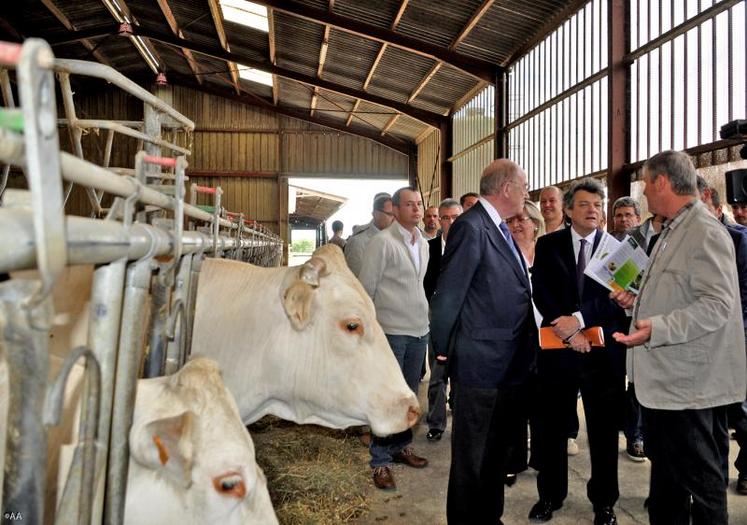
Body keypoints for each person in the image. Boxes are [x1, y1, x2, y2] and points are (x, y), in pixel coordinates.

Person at [612, 150, 746, 525]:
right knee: (668, 485)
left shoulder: (704, 231)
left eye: (645, 186)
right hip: (669, 386)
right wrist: (635, 304)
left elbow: (718, 305)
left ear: (662, 183)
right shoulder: (673, 229)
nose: (643, 196)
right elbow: (678, 294)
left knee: (702, 485)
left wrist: (657, 327)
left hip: (691, 388)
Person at [430, 159, 534, 525]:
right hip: (479, 363)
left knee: (495, 453)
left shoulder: (500, 228)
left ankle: (490, 517)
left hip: (506, 364)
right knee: (471, 457)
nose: (526, 192)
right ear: (506, 188)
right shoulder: (471, 227)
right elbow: (448, 295)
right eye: (523, 185)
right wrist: (443, 348)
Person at [529, 178, 628, 525]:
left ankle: (604, 502)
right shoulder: (548, 245)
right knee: (551, 427)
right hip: (558, 351)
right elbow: (541, 293)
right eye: (585, 205)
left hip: (604, 355)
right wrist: (570, 333)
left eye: (598, 205)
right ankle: (549, 496)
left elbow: (618, 302)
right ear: (569, 210)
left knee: (603, 432)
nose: (593, 211)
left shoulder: (617, 249)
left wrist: (580, 321)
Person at [359, 186, 430, 491]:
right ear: (396, 210)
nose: (416, 210)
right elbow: (367, 290)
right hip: (391, 331)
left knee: (409, 394)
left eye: (419, 204)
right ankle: (379, 461)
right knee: (387, 397)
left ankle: (401, 446)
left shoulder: (423, 243)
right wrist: (370, 334)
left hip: (419, 329)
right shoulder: (382, 243)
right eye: (409, 205)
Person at [697, 177, 747, 495]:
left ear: (715, 207)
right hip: (696, 348)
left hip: (734, 342)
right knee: (711, 425)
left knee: (740, 414)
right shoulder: (675, 238)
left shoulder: (739, 241)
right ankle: (707, 483)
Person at [505, 200, 545, 485]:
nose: (517, 225)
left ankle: (542, 458)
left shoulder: (548, 253)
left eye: (523, 220)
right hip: (514, 340)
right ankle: (512, 460)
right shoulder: (502, 254)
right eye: (511, 221)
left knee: (544, 404)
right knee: (513, 405)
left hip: (548, 339)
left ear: (536, 223)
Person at [422, 198, 462, 442]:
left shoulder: (471, 246)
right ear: (437, 220)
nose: (449, 222)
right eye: (444, 217)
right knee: (437, 374)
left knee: (462, 373)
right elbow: (423, 283)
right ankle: (436, 423)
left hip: (465, 320)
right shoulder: (429, 248)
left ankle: (460, 417)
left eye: (455, 217)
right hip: (436, 319)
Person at [344, 193, 394, 277]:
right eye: (390, 214)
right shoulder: (358, 243)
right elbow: (356, 280)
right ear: (375, 214)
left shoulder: (396, 238)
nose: (395, 219)